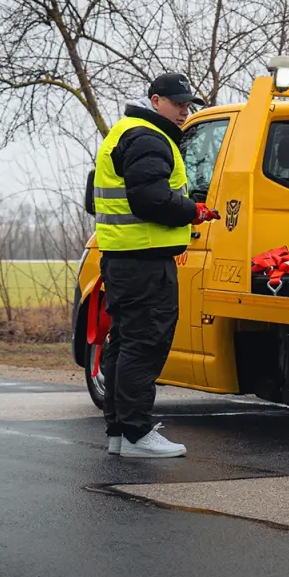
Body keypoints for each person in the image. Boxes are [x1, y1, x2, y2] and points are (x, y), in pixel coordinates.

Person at [91, 72, 219, 458]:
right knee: (145, 344)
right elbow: (151, 200)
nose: (183, 111)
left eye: (186, 104)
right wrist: (192, 210)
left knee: (125, 343)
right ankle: (137, 433)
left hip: (123, 258)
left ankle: (120, 431)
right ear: (155, 100)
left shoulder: (124, 132)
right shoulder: (149, 138)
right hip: (145, 261)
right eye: (177, 103)